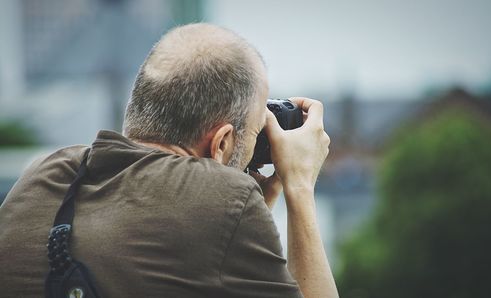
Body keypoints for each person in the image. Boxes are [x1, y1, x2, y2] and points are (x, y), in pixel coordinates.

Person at [0, 23, 338, 298]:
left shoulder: (47, 172)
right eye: (255, 131)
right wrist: (299, 185)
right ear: (221, 143)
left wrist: (252, 209)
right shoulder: (223, 200)